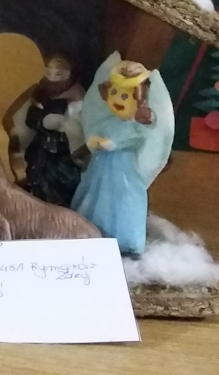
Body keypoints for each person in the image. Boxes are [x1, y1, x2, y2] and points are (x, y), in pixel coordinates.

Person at [70, 56, 174, 257]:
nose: (117, 100)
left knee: (123, 200)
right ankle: (91, 230)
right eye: (114, 93)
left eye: (125, 96)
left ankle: (125, 240)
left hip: (124, 169)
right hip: (101, 167)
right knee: (96, 195)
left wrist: (111, 144)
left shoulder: (137, 126)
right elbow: (95, 136)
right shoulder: (108, 122)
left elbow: (138, 138)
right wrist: (95, 142)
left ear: (139, 98)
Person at [20, 54, 85, 207]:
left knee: (62, 179)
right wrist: (44, 121)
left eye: (58, 74)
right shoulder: (42, 94)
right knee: (38, 172)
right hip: (43, 146)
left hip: (66, 152)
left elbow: (81, 122)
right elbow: (31, 117)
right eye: (48, 72)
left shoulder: (78, 94)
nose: (52, 78)